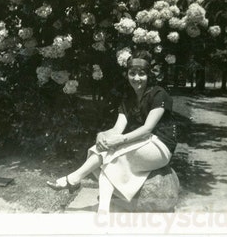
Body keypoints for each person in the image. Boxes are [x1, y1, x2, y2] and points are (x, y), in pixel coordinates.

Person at [47, 52, 177, 213]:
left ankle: (74, 179)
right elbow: (117, 129)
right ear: (127, 74)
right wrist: (101, 135)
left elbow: (147, 129)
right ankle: (102, 209)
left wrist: (118, 141)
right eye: (132, 73)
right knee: (102, 150)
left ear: (148, 75)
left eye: (141, 74)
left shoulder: (159, 94)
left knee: (111, 155)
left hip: (160, 146)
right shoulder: (128, 98)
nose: (136, 78)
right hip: (141, 142)